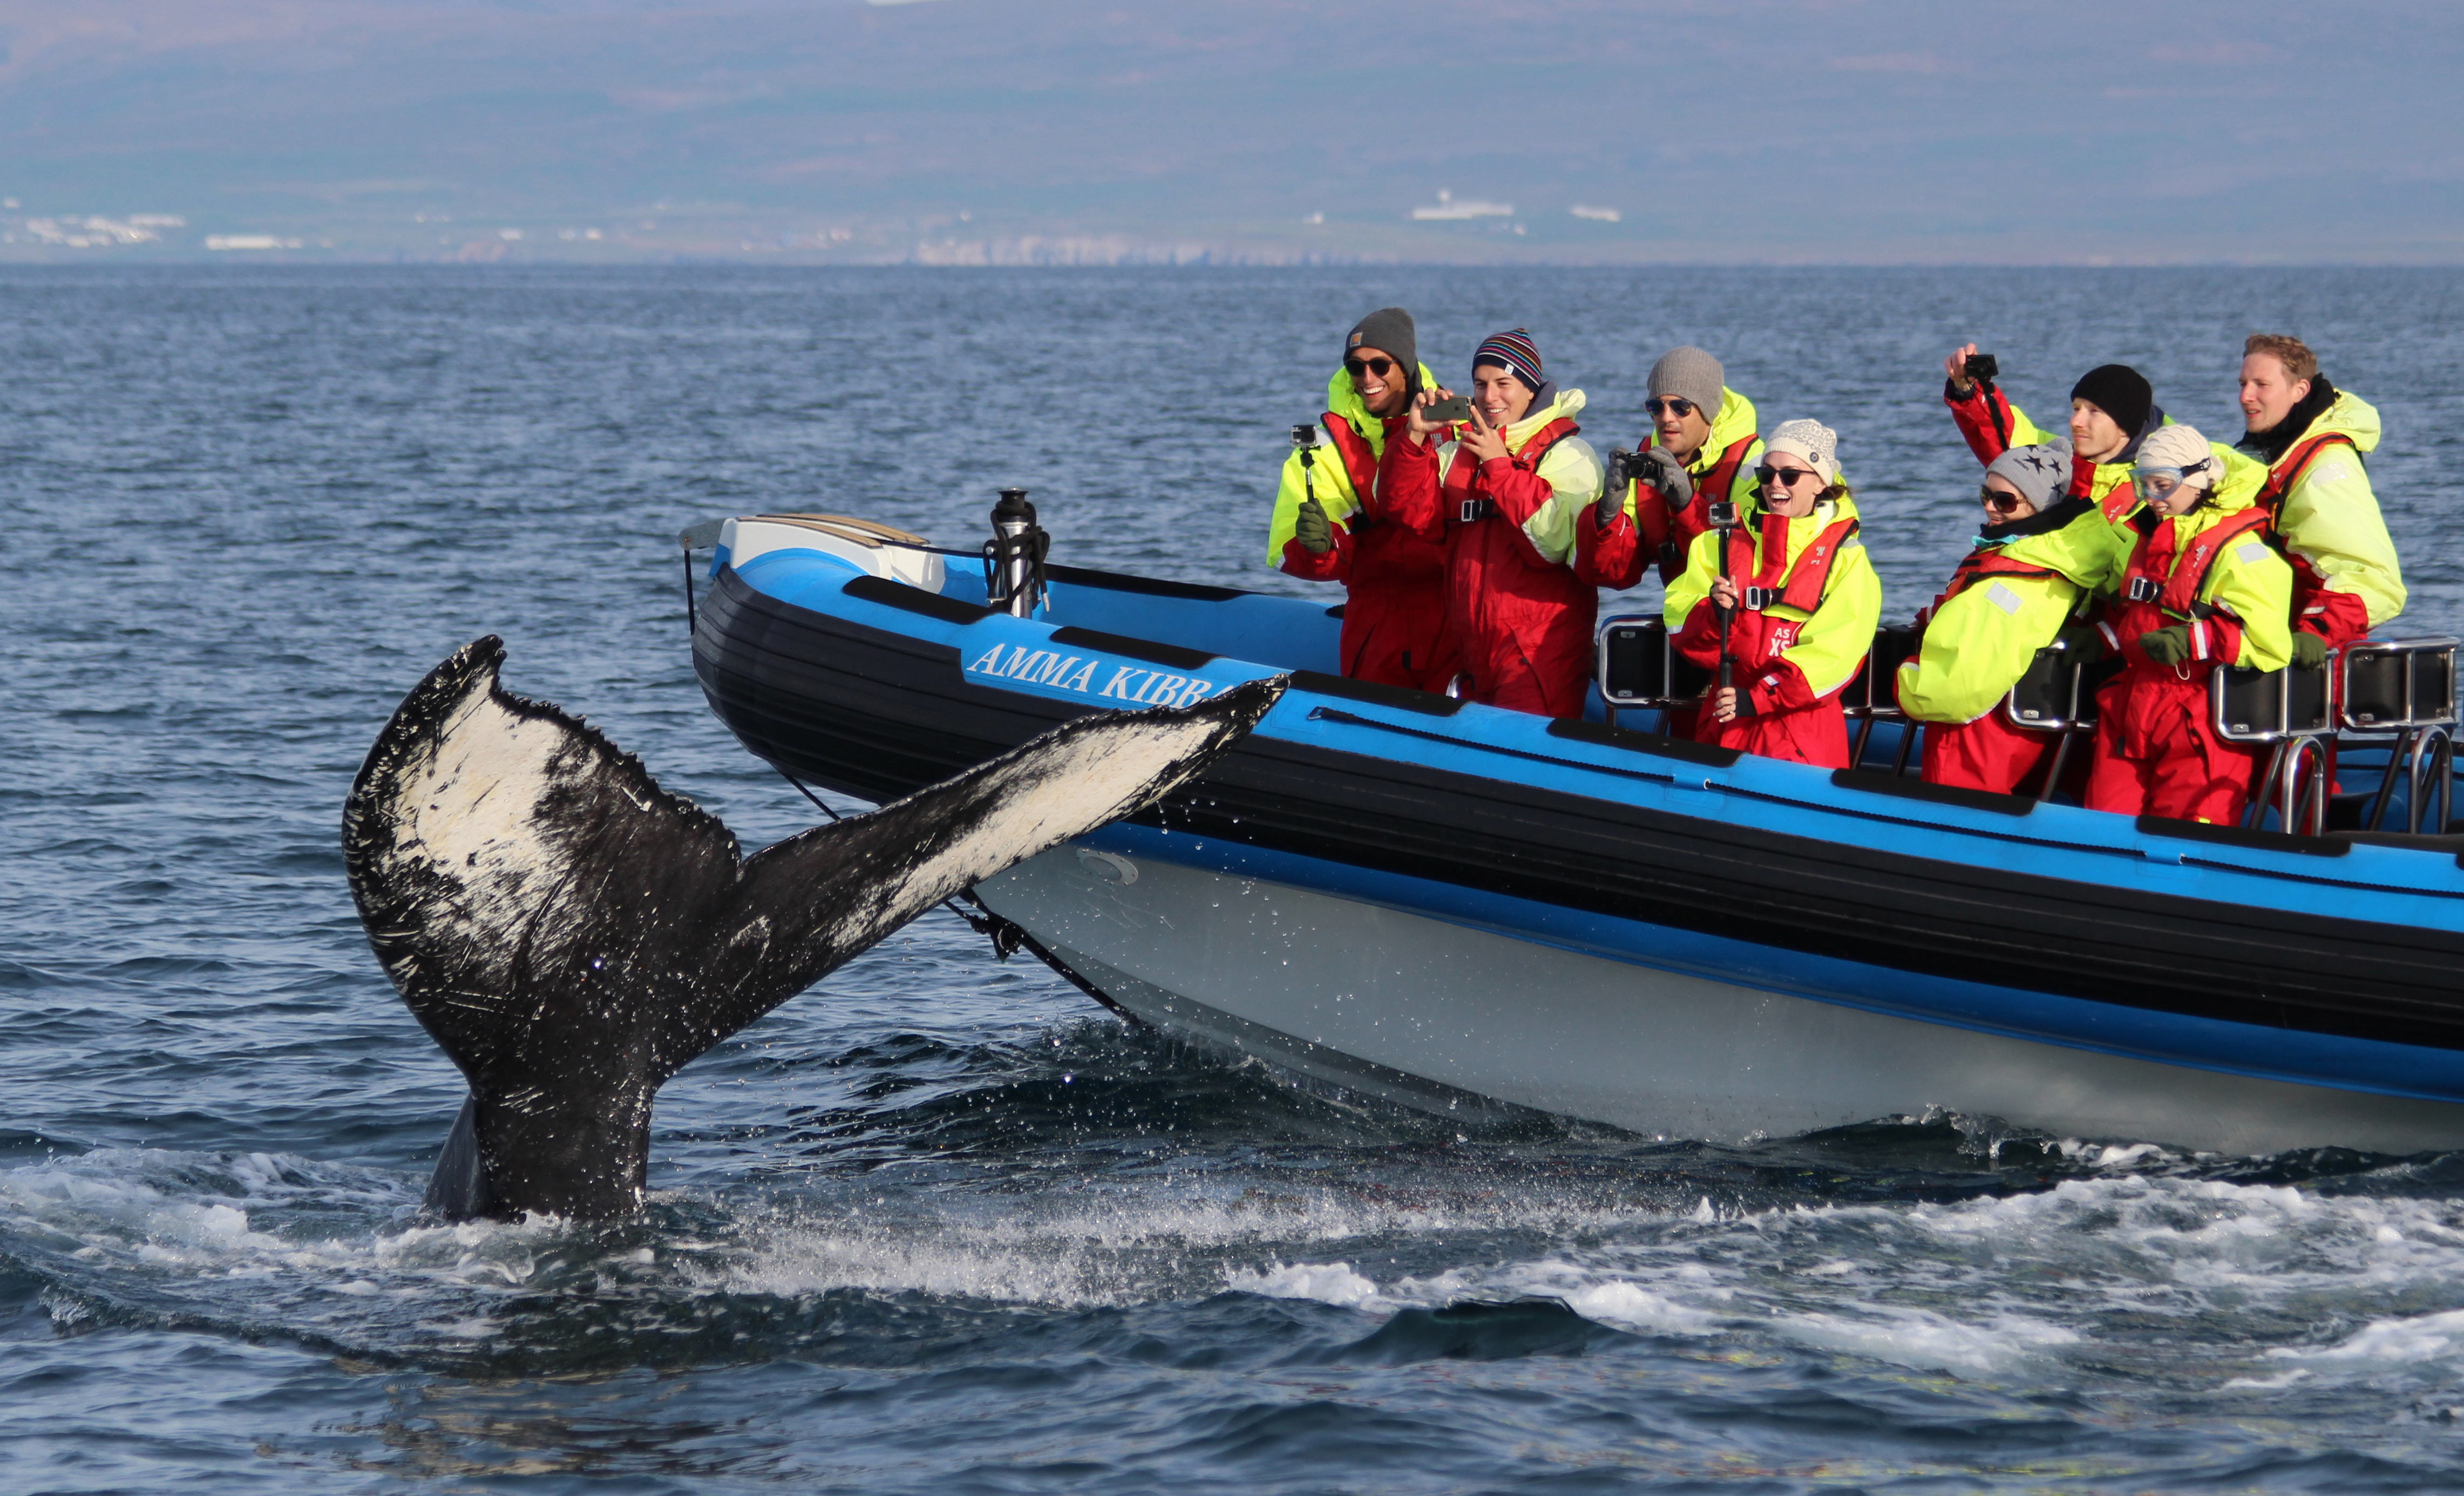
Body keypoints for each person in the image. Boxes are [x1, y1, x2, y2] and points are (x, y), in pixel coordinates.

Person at [1381, 328, 1605, 718]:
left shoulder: (1570, 455)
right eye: (1480, 384)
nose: (1489, 397)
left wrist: (1499, 466)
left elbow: (1551, 546)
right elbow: (1407, 512)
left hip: (1538, 657)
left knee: (1528, 765)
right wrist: (1414, 438)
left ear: (1531, 389)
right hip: (1473, 651)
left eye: (1504, 383)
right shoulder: (1460, 449)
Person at [2084, 424, 2292, 825]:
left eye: (2161, 485)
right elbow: (2137, 609)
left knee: (2185, 834)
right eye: (2143, 485)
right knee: (2102, 825)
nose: (2152, 498)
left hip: (2197, 712)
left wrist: (2191, 640)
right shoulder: (2149, 536)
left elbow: (2269, 644)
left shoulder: (2240, 553)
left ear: (2195, 481)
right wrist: (2104, 638)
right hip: (2133, 703)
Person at [1896, 441, 2122, 794]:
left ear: (2038, 506)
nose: (1989, 507)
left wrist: (1906, 677)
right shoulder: (2057, 562)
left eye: (2004, 501)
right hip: (2018, 732)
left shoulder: (2015, 583)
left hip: (1973, 739)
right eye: (1986, 494)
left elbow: (1954, 692)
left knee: (1951, 827)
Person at [1662, 420, 1881, 765]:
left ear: (1820, 483)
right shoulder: (1717, 545)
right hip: (1724, 722)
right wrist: (1716, 616)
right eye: (1767, 474)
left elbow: (1833, 659)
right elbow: (1679, 626)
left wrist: (1761, 697)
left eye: (1790, 475)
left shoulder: (1849, 561)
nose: (1776, 484)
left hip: (1800, 737)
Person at [1265, 308, 1455, 690]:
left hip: (1456, 629)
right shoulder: (1323, 449)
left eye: (1380, 365)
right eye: (1355, 366)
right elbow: (1286, 552)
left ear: (1405, 366)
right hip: (1376, 633)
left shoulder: (1457, 427)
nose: (1367, 378)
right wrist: (1317, 548)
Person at [2235, 332, 2405, 665]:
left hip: (2308, 667)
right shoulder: (2268, 452)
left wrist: (2313, 634)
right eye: (2242, 383)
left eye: (2261, 385)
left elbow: (2370, 579)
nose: (2245, 396)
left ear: (2300, 391)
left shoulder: (2325, 470)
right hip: (2265, 654)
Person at [1574, 345, 1763, 591]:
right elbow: (1611, 575)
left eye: (1680, 407)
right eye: (1656, 407)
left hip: (1733, 620)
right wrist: (1605, 516)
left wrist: (1688, 506)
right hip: (1680, 618)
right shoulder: (1645, 462)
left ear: (1709, 410)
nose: (1666, 418)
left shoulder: (1756, 468)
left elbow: (1747, 572)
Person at [1938, 346, 2165, 521]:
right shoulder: (2060, 457)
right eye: (2076, 409)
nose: (2076, 422)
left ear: (2126, 424)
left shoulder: (2158, 489)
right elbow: (2007, 440)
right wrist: (1969, 390)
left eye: (2094, 412)